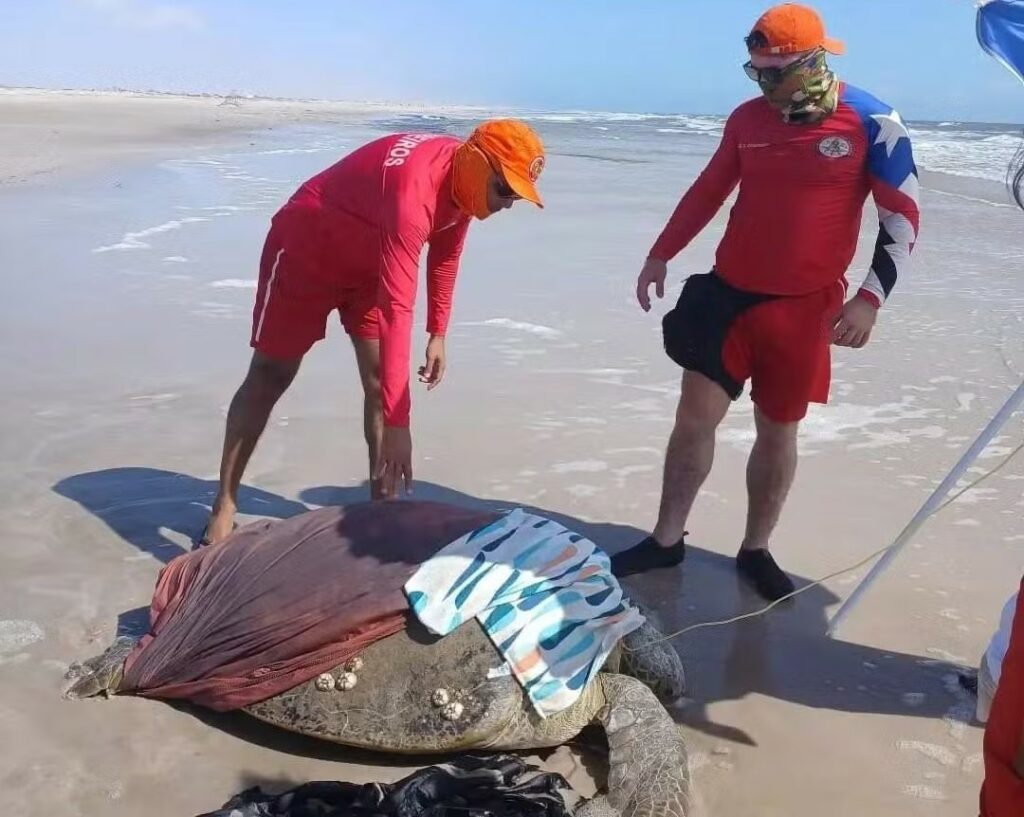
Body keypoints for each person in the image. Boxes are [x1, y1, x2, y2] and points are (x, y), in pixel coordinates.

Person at [611, 3, 920, 601]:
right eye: (754, 73)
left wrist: (870, 299)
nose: (763, 85)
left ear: (812, 62)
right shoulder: (747, 120)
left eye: (773, 74)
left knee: (777, 433)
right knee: (693, 419)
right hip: (727, 297)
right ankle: (667, 538)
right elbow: (709, 190)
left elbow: (902, 217)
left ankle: (755, 549)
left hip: (803, 310)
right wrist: (661, 253)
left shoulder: (874, 121)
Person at [200, 120, 546, 545]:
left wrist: (438, 331)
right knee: (271, 375)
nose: (508, 204)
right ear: (477, 162)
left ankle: (381, 509)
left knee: (381, 380)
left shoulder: (466, 185)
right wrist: (400, 426)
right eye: (505, 190)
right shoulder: (414, 191)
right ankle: (224, 503)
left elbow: (445, 256)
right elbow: (398, 310)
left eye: (516, 195)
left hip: (370, 266)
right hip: (306, 250)